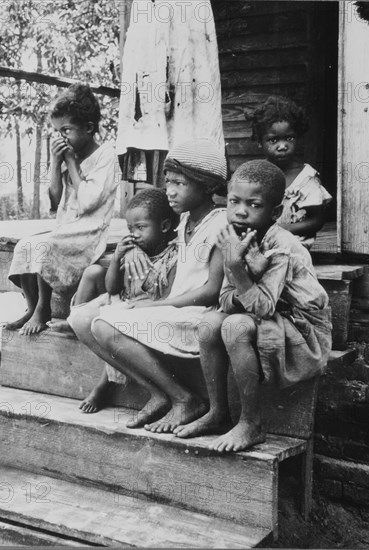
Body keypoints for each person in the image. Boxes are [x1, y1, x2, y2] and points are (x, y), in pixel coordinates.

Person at [174, 160, 332, 453]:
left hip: (303, 329)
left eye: (253, 204)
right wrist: (243, 276)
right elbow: (223, 298)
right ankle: (219, 413)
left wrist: (238, 269)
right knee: (209, 324)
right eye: (234, 201)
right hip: (271, 319)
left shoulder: (281, 246)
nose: (241, 211)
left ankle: (251, 423)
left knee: (234, 325)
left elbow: (263, 308)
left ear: (273, 212)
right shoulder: (233, 236)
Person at [69, 139, 227, 431]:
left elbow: (210, 292)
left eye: (180, 183)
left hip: (197, 315)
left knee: (104, 325)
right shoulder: (183, 223)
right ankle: (157, 393)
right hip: (174, 309)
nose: (170, 191)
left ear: (207, 185)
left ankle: (183, 398)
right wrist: (132, 249)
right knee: (81, 319)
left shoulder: (220, 224)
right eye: (168, 182)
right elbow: (151, 237)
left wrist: (156, 305)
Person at [6, 84, 118, 335]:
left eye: (66, 130)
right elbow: (55, 200)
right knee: (26, 245)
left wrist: (69, 161)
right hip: (67, 227)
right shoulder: (70, 154)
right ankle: (32, 305)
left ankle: (43, 308)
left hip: (90, 231)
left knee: (48, 245)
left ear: (88, 128)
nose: (61, 138)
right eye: (57, 131)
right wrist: (56, 163)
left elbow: (89, 201)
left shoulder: (107, 157)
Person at [55, 188, 178, 413]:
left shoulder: (171, 257)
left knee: (108, 326)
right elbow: (112, 287)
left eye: (141, 228)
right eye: (131, 229)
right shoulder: (133, 249)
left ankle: (104, 384)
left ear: (165, 227)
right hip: (120, 299)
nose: (135, 234)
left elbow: (161, 298)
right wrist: (118, 257)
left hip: (142, 309)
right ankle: (76, 323)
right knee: (98, 306)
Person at [248, 95, 332, 249]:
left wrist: (282, 230)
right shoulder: (256, 174)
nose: (282, 146)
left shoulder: (306, 178)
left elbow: (317, 220)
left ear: (298, 138)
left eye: (289, 139)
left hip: (294, 247)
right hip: (262, 243)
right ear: (260, 142)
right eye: (273, 140)